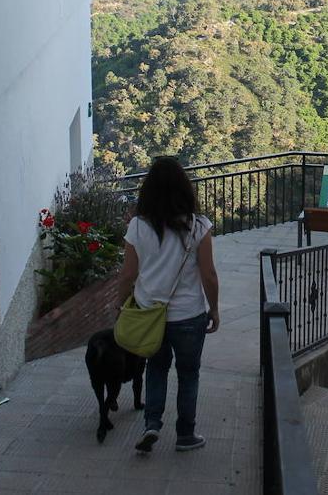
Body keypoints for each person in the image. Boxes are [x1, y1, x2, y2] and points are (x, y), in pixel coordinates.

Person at [114, 156, 220, 454]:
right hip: (189, 316)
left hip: (150, 314)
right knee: (189, 373)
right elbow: (209, 275)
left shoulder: (137, 226)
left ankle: (151, 425)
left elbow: (128, 276)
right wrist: (214, 308)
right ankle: (185, 435)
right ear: (184, 189)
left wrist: (121, 306)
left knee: (156, 369)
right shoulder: (199, 226)